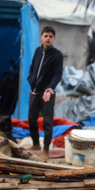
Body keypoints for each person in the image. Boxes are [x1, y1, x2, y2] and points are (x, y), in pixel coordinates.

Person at [27, 25, 63, 160]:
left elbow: (58, 74)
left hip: (47, 92)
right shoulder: (37, 51)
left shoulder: (57, 55)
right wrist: (30, 79)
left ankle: (46, 148)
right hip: (34, 91)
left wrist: (50, 89)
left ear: (54, 39)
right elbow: (32, 67)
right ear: (41, 37)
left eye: (51, 36)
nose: (48, 38)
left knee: (47, 121)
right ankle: (36, 144)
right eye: (46, 36)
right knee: (31, 118)